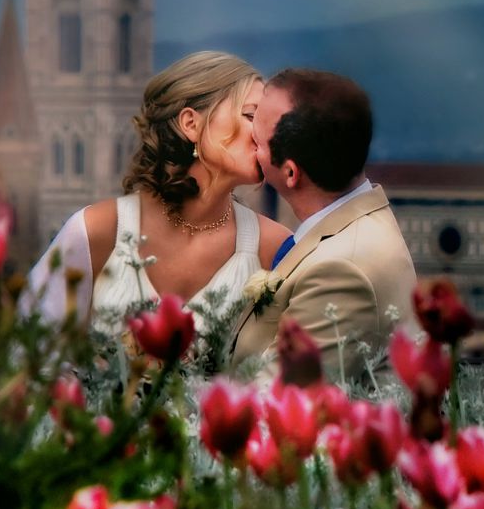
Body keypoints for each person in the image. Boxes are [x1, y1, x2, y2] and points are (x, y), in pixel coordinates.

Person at [22, 51, 293, 340]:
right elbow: (32, 353)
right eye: (252, 115)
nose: (267, 135)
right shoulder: (96, 231)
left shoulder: (274, 247)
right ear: (191, 124)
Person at [229, 69, 417, 379]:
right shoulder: (351, 229)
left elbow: (275, 405)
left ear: (291, 173)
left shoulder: (342, 270)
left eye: (256, 141)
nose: (248, 143)